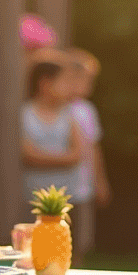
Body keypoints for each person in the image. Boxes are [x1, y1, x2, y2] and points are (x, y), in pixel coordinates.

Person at [63, 49, 109, 261]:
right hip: (61, 186)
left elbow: (93, 148)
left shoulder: (86, 110)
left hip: (82, 187)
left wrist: (100, 181)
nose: (89, 86)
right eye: (84, 80)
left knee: (79, 240)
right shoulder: (60, 109)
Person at [21, 52, 82, 208]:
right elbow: (28, 155)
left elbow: (78, 155)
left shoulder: (69, 114)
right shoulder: (26, 114)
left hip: (67, 199)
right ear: (45, 84)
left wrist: (43, 158)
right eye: (64, 81)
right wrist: (64, 159)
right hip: (33, 199)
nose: (70, 87)